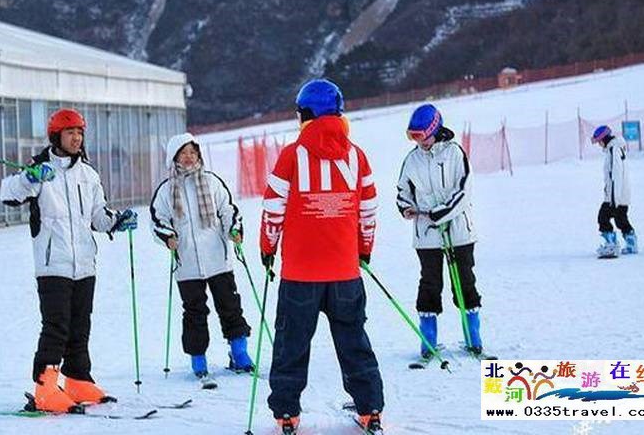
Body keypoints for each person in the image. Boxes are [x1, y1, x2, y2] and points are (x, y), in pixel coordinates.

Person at [260, 78, 384, 434]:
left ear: (306, 114)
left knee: (291, 344)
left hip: (300, 275)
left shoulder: (291, 154)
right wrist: (364, 249)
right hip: (345, 272)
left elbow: (273, 210)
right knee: (353, 341)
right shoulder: (356, 155)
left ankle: (286, 412)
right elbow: (368, 211)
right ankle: (370, 408)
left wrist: (268, 248)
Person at [0, 108, 137, 413]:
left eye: (79, 133)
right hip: (53, 264)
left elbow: (98, 216)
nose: (76, 138)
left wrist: (117, 220)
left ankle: (77, 379)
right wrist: (29, 177)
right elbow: (8, 193)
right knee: (56, 326)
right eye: (70, 132)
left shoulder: (88, 174)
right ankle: (45, 387)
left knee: (80, 326)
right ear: (56, 136)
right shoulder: (40, 170)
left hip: (85, 264)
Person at [149, 132, 253, 383]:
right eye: (183, 153)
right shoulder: (166, 191)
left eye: (193, 152)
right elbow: (157, 220)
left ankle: (239, 352)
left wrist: (234, 229)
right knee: (194, 312)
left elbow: (228, 210)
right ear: (174, 157)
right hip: (187, 264)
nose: (189, 157)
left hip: (218, 258)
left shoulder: (212, 181)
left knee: (230, 306)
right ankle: (198, 359)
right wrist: (168, 236)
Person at [396, 104, 484, 360]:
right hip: (427, 236)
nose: (418, 142)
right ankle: (429, 340)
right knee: (429, 283)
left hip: (459, 232)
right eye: (412, 136)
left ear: (434, 129)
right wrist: (406, 208)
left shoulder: (455, 153)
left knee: (464, 281)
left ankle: (473, 338)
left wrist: (441, 213)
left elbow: (463, 192)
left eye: (421, 135)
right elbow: (402, 191)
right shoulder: (411, 160)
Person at [591, 125, 637, 257]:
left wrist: (613, 199)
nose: (599, 145)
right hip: (622, 194)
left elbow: (615, 175)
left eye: (599, 141)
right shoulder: (618, 148)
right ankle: (631, 243)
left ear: (604, 139)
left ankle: (611, 245)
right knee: (620, 218)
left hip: (615, 195)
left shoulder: (613, 150)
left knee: (603, 217)